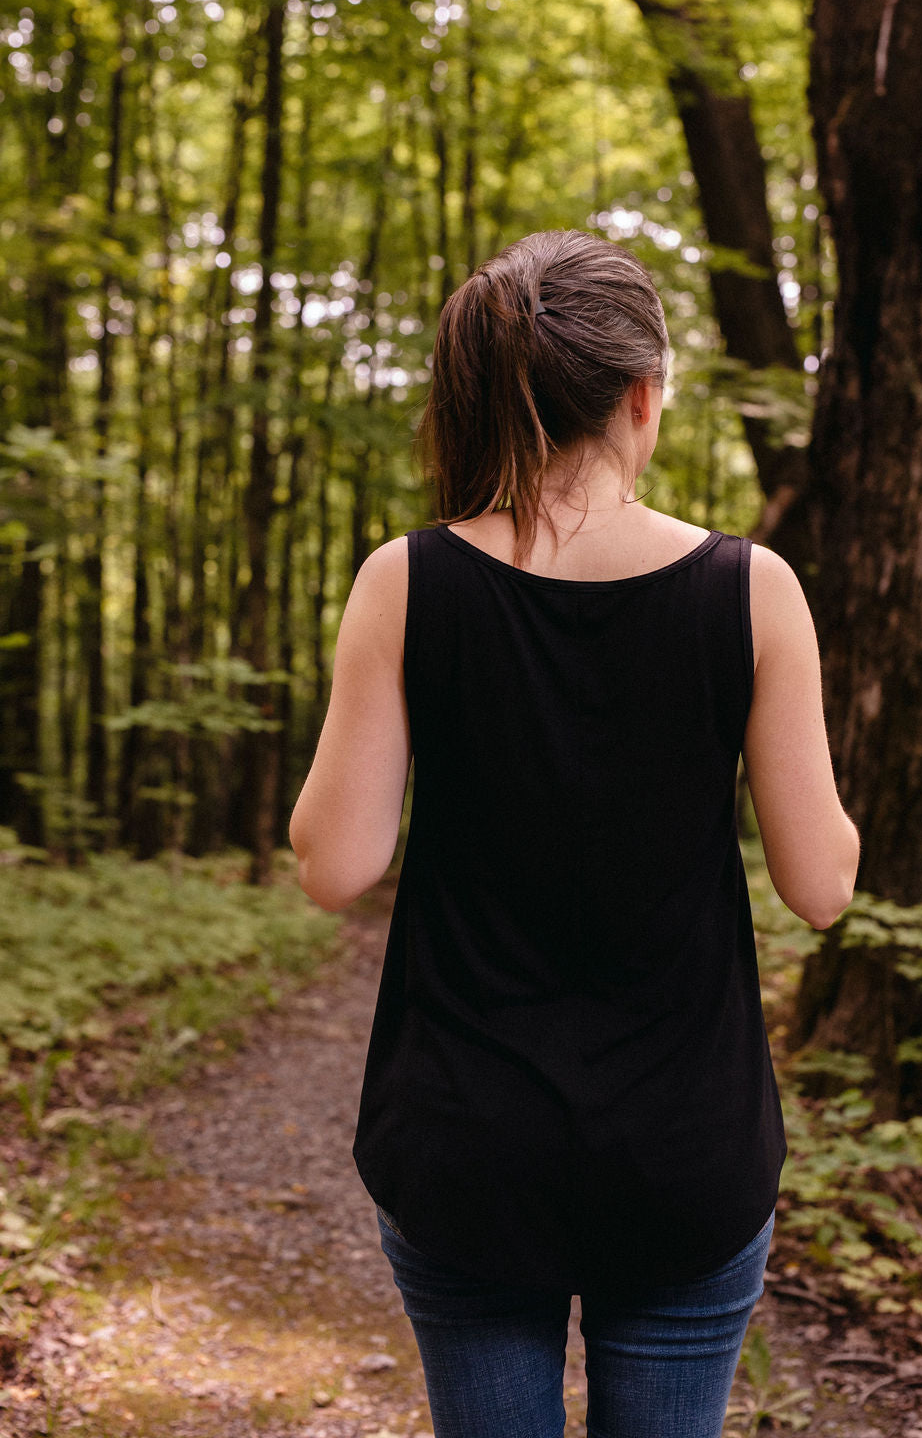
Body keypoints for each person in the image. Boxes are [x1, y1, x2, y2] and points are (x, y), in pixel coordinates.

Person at [289, 229, 860, 1438]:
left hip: (462, 1148)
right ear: (642, 397)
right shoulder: (751, 591)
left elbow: (333, 865)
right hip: (685, 1152)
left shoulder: (407, 581)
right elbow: (821, 887)